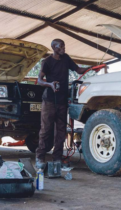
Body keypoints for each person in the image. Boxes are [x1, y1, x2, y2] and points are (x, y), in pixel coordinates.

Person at [35, 39, 89, 169]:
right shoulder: (46, 62)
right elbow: (39, 80)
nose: (63, 48)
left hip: (62, 100)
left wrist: (92, 68)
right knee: (46, 130)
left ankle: (57, 158)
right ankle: (40, 157)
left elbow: (78, 70)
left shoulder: (66, 59)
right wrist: (50, 84)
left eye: (64, 46)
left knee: (61, 130)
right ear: (54, 47)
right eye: (60, 46)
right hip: (49, 101)